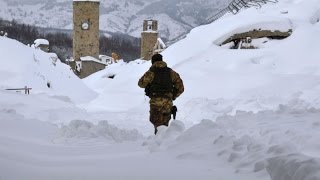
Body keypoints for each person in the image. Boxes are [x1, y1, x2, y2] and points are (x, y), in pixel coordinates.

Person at [138, 54, 184, 134]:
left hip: (155, 103)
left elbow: (141, 84)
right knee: (164, 126)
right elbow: (181, 88)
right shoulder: (170, 72)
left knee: (157, 126)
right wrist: (172, 96)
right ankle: (164, 142)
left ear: (153, 62)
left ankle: (158, 143)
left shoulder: (151, 72)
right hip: (167, 103)